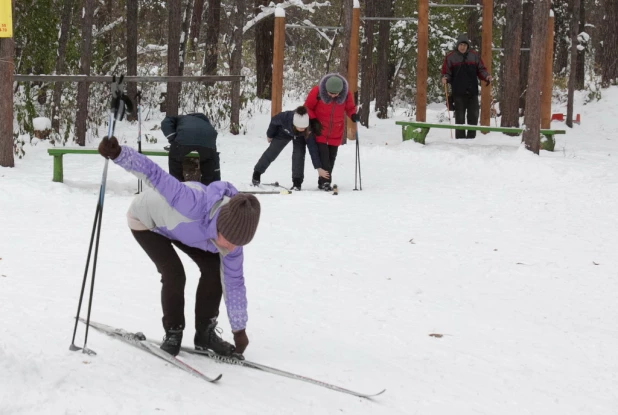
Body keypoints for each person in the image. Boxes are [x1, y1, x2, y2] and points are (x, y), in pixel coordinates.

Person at [97, 136, 261, 358]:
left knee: (215, 270)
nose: (231, 247)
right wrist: (118, 154)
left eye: (238, 244)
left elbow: (234, 285)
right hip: (147, 221)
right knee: (174, 274)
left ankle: (205, 333)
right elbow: (154, 174)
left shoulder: (233, 242)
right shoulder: (191, 202)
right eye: (229, 240)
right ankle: (173, 331)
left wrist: (239, 330)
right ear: (220, 225)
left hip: (186, 231)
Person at [252, 106, 329, 191]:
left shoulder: (307, 130)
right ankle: (257, 173)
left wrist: (318, 168)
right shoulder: (285, 117)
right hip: (284, 132)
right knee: (272, 151)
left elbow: (312, 149)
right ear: (295, 124)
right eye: (300, 128)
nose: (302, 129)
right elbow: (274, 121)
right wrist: (270, 135)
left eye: (304, 128)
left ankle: (297, 183)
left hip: (300, 137)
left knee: (298, 155)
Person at [304, 73, 359, 191]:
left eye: (335, 94)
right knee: (324, 159)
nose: (332, 96)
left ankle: (322, 181)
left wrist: (353, 115)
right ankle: (325, 182)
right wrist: (313, 120)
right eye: (330, 93)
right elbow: (307, 107)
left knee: (331, 158)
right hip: (320, 129)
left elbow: (350, 108)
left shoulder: (346, 94)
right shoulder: (317, 91)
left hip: (336, 130)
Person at [441, 34, 492, 139]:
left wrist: (486, 76)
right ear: (457, 45)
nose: (462, 47)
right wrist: (445, 78)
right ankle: (460, 139)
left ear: (468, 46)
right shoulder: (451, 57)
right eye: (461, 45)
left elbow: (481, 69)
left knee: (473, 115)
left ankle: (471, 138)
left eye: (464, 45)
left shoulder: (474, 56)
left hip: (472, 91)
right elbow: (446, 72)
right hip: (458, 92)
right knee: (459, 117)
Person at [161, 113, 221, 185]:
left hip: (184, 138)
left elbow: (165, 122)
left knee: (174, 160)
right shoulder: (205, 122)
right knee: (208, 162)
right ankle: (207, 189)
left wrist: (173, 140)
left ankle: (178, 186)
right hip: (208, 140)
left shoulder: (180, 118)